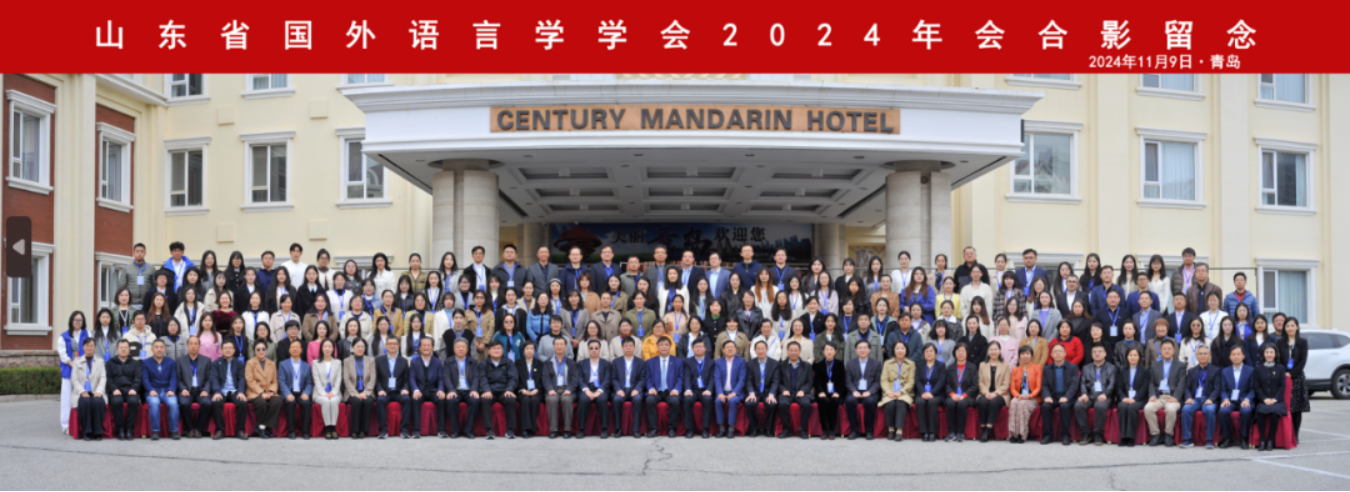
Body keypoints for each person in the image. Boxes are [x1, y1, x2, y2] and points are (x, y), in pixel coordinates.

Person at [1144, 338, 1186, 446]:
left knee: (1171, 409)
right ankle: (1155, 434)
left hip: (1172, 397)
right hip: (1159, 396)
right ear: (1160, 351)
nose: (1167, 351)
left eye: (1169, 349)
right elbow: (1151, 383)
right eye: (1164, 349)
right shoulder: (1154, 366)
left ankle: (1168, 434)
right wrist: (1152, 395)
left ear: (1173, 351)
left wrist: (1176, 397)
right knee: (1148, 408)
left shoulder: (1181, 365)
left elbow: (1181, 383)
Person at [1179, 344, 1221, 448]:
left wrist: (1211, 399)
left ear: (1210, 355)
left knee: (1210, 410)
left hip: (1208, 398)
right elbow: (1187, 387)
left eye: (1205, 354)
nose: (1203, 356)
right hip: (1195, 399)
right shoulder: (1191, 371)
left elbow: (1217, 388)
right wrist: (1188, 398)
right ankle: (1187, 439)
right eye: (1200, 354)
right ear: (1196, 356)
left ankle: (1209, 440)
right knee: (1186, 409)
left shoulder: (1216, 370)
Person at [1215, 344, 1256, 449]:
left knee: (1246, 411)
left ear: (1243, 356)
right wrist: (1225, 399)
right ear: (1230, 357)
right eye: (1233, 354)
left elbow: (1253, 389)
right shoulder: (1225, 371)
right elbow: (1223, 390)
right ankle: (1227, 438)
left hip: (1245, 400)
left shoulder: (1251, 370)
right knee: (1223, 411)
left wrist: (1247, 399)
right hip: (1230, 400)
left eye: (1238, 354)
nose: (1236, 356)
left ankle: (1244, 438)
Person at [1075, 344, 1115, 446]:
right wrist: (1084, 394)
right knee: (1079, 405)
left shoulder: (1112, 368)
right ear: (1091, 354)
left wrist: (1105, 394)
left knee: (1100, 406)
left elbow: (1112, 384)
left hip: (1104, 396)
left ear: (1105, 353)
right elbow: (1083, 383)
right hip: (1090, 396)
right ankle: (1085, 433)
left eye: (1100, 351)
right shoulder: (1086, 368)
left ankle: (1098, 433)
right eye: (1094, 352)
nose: (1097, 353)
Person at [1039, 344, 1078, 446]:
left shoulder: (1073, 367)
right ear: (1051, 354)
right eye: (1055, 351)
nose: (1058, 353)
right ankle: (1048, 435)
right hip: (1053, 396)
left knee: (1064, 406)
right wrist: (1047, 396)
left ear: (1065, 353)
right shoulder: (1047, 369)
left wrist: (1066, 397)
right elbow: (1044, 385)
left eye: (1060, 351)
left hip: (1067, 396)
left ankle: (1065, 435)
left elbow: (1074, 385)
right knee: (1045, 406)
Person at [772, 340, 813, 440]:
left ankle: (803, 430)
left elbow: (810, 382)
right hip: (787, 393)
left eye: (796, 350)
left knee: (806, 404)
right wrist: (783, 390)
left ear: (800, 351)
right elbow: (777, 381)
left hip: (801, 393)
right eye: (791, 350)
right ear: (787, 351)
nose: (793, 352)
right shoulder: (781, 365)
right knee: (782, 404)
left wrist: (803, 390)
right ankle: (786, 429)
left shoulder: (806, 366)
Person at [644, 337, 683, 437]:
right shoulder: (650, 362)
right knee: (649, 400)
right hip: (656, 391)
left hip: (671, 391)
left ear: (670, 347)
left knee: (675, 401)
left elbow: (681, 377)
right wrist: (650, 388)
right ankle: (653, 428)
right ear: (657, 347)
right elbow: (647, 378)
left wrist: (676, 389)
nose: (664, 347)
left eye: (666, 345)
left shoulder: (678, 361)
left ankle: (672, 429)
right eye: (661, 345)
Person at [480, 340, 520, 439]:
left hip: (504, 391)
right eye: (494, 349)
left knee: (511, 399)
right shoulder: (483, 364)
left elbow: (513, 378)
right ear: (489, 351)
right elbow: (482, 378)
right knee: (484, 399)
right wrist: (486, 390)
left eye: (499, 348)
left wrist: (509, 389)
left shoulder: (509, 363)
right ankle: (489, 430)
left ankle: (510, 430)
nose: (496, 351)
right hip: (490, 391)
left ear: (503, 350)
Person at [209, 339, 248, 440]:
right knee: (216, 402)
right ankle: (220, 430)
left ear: (234, 350)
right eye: (225, 348)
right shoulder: (216, 363)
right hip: (222, 390)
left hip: (235, 390)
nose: (228, 350)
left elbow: (241, 378)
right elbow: (213, 378)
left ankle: (240, 430)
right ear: (221, 350)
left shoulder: (239, 363)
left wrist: (241, 392)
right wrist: (216, 391)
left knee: (242, 402)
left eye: (230, 348)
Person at [442, 338, 481, 439]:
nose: (460, 349)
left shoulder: (473, 362)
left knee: (475, 401)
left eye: (463, 347)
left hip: (469, 390)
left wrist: (474, 390)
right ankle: (455, 430)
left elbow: (476, 377)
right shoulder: (448, 361)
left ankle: (468, 430)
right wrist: (451, 390)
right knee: (451, 401)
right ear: (454, 349)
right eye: (458, 347)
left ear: (467, 349)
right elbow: (446, 377)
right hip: (455, 390)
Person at [408, 337, 445, 438]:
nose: (426, 347)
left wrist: (441, 390)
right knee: (415, 399)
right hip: (420, 390)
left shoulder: (437, 362)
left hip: (433, 390)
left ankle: (441, 430)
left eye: (428, 345)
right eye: (424, 345)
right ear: (420, 348)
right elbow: (412, 378)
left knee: (441, 399)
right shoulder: (414, 361)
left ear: (432, 348)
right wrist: (415, 389)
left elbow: (441, 378)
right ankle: (416, 430)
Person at [143, 340, 180, 440]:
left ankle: (174, 431)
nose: (159, 349)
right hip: (153, 390)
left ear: (165, 349)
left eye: (161, 347)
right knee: (154, 403)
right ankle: (155, 431)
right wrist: (150, 389)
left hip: (168, 390)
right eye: (156, 347)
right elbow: (145, 379)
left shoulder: (171, 362)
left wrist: (171, 389)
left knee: (173, 404)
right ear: (152, 349)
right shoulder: (146, 362)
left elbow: (174, 377)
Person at [608, 338, 646, 437]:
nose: (628, 348)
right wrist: (618, 389)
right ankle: (618, 429)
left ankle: (636, 429)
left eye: (630, 346)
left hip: (635, 389)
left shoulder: (641, 362)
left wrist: (637, 389)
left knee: (638, 399)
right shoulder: (616, 362)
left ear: (634, 347)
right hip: (621, 389)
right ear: (622, 347)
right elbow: (613, 378)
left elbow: (642, 378)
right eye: (626, 346)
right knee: (616, 400)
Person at [373, 337, 410, 439]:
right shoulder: (379, 360)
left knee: (407, 399)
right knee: (380, 400)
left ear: (398, 346)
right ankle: (383, 430)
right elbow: (376, 378)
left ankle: (404, 430)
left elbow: (406, 379)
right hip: (385, 391)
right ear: (386, 346)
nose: (392, 346)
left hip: (399, 391)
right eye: (390, 343)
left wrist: (405, 388)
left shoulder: (403, 361)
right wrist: (380, 389)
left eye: (395, 344)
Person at [1253, 344, 1287, 452]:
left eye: (1271, 352)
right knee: (1260, 412)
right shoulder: (1258, 368)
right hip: (1263, 400)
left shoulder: (1280, 368)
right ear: (1263, 354)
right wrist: (1264, 399)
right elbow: (1257, 386)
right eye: (1267, 352)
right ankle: (1262, 441)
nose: (1269, 354)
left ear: (1275, 354)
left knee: (1274, 412)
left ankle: (1271, 441)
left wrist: (1275, 399)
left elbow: (1282, 386)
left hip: (1277, 401)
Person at [71, 338, 107, 441]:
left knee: (98, 402)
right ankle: (87, 432)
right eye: (87, 345)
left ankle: (98, 432)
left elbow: (103, 377)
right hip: (81, 392)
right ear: (83, 347)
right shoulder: (77, 361)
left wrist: (99, 391)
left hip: (96, 391)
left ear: (95, 347)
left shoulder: (100, 361)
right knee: (85, 402)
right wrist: (82, 391)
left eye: (91, 345)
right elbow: (74, 379)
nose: (89, 348)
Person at [845, 340, 881, 440]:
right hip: (855, 391)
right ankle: (854, 431)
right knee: (850, 401)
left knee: (869, 402)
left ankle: (869, 431)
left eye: (865, 348)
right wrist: (854, 391)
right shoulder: (850, 363)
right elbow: (848, 380)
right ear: (856, 350)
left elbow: (877, 382)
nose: (862, 350)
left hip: (870, 391)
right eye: (860, 348)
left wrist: (869, 392)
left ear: (869, 349)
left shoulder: (876, 364)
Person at [246, 340, 283, 439]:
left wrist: (271, 392)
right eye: (258, 349)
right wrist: (262, 393)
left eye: (263, 349)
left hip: (269, 391)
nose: (261, 351)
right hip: (255, 392)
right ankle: (263, 429)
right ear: (254, 351)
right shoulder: (250, 363)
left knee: (278, 402)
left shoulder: (272, 364)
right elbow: (250, 381)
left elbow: (275, 381)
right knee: (261, 403)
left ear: (266, 350)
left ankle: (260, 427)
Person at [743, 340, 780, 437]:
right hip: (755, 392)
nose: (761, 351)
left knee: (772, 404)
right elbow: (748, 380)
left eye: (763, 348)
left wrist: (771, 394)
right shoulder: (750, 364)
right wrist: (751, 393)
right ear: (754, 350)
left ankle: (768, 429)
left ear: (767, 349)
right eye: (758, 349)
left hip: (768, 392)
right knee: (749, 404)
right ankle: (754, 428)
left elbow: (775, 381)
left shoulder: (775, 364)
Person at [106, 340, 142, 440]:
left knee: (134, 402)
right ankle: (120, 429)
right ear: (117, 349)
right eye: (121, 347)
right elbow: (108, 379)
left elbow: (138, 378)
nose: (123, 349)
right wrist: (114, 389)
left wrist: (134, 388)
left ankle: (130, 429)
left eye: (125, 347)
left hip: (130, 390)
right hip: (116, 390)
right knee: (116, 402)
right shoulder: (110, 363)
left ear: (129, 349)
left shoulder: (135, 363)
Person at [278, 338, 313, 440]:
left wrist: (306, 393)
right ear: (289, 350)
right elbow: (282, 381)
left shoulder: (307, 366)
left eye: (297, 347)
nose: (295, 349)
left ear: (301, 350)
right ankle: (291, 431)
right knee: (290, 403)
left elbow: (309, 383)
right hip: (289, 391)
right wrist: (287, 394)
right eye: (293, 347)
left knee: (306, 403)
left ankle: (305, 432)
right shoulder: (283, 364)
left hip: (301, 392)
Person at [879, 341, 914, 441]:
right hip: (890, 390)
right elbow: (884, 380)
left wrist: (901, 392)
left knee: (901, 403)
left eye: (902, 348)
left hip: (904, 392)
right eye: (897, 348)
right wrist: (888, 392)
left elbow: (911, 382)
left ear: (906, 350)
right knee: (890, 403)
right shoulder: (887, 363)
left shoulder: (911, 364)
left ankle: (899, 431)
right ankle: (891, 429)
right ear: (893, 350)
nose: (900, 350)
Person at [577, 340, 613, 438]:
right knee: (583, 400)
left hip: (600, 388)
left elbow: (607, 379)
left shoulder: (606, 363)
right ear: (588, 350)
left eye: (596, 348)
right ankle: (581, 429)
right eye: (591, 348)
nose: (594, 350)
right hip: (586, 388)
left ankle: (604, 429)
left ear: (600, 350)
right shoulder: (581, 363)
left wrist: (599, 391)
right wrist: (586, 390)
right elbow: (579, 379)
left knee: (602, 400)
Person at [544, 337, 578, 438]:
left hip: (567, 389)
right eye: (557, 344)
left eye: (561, 344)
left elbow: (575, 378)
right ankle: (553, 430)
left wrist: (569, 389)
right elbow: (545, 378)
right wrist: (550, 389)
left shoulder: (571, 362)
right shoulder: (548, 362)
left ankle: (567, 430)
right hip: (553, 389)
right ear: (553, 346)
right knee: (552, 400)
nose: (559, 346)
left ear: (565, 346)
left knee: (566, 400)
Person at [975, 341, 1010, 442]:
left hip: (1001, 394)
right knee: (982, 402)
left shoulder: (1005, 365)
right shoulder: (982, 365)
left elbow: (1006, 384)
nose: (993, 351)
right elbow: (980, 382)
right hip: (985, 392)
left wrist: (995, 393)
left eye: (995, 349)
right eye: (991, 349)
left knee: (994, 402)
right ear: (988, 351)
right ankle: (983, 429)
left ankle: (987, 431)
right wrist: (986, 393)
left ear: (1000, 351)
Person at [683, 337, 717, 439]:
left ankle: (705, 429)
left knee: (708, 400)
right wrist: (688, 389)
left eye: (701, 347)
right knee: (687, 400)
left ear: (705, 348)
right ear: (692, 349)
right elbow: (686, 376)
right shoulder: (687, 362)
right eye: (696, 347)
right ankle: (689, 429)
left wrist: (709, 390)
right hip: (692, 390)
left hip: (705, 390)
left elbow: (712, 378)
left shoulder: (711, 362)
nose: (699, 349)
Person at [1115, 345, 1149, 447]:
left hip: (1139, 399)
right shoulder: (1122, 370)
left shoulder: (1145, 371)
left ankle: (1130, 437)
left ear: (1139, 357)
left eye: (1135, 355)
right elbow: (1119, 387)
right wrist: (1123, 398)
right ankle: (1123, 437)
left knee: (1132, 407)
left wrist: (1135, 399)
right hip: (1125, 398)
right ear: (1127, 357)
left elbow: (1144, 388)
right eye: (1130, 355)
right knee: (1122, 406)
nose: (1133, 357)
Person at [943, 343, 978, 442]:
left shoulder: (972, 367)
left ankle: (960, 432)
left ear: (967, 353)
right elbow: (947, 385)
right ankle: (951, 432)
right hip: (953, 395)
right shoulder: (950, 367)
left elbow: (974, 386)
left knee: (962, 403)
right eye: (958, 351)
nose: (960, 353)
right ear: (954, 353)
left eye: (963, 351)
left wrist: (964, 395)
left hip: (967, 396)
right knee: (950, 403)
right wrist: (952, 394)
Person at [712, 340, 746, 438]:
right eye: (727, 347)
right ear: (723, 350)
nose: (730, 349)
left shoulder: (741, 361)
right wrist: (720, 393)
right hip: (723, 392)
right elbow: (717, 378)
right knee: (718, 401)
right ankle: (721, 429)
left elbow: (742, 379)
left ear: (736, 349)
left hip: (735, 392)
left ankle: (731, 428)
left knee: (733, 400)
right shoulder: (718, 362)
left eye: (732, 347)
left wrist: (734, 392)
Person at [1008, 347, 1041, 443]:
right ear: (1019, 356)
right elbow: (1012, 388)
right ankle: (1013, 434)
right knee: (1013, 402)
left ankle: (1022, 434)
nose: (1025, 356)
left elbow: (1038, 387)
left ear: (1031, 356)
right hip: (1019, 396)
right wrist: (1018, 396)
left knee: (1022, 404)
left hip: (1032, 398)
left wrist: (1029, 396)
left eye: (1027, 353)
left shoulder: (1037, 368)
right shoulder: (1015, 369)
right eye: (1022, 354)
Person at [913, 343, 947, 441]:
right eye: (926, 351)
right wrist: (923, 392)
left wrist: (932, 393)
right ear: (923, 353)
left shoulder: (941, 365)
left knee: (932, 402)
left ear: (935, 353)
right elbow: (917, 380)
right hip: (922, 393)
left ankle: (932, 432)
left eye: (931, 351)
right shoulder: (920, 365)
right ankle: (924, 432)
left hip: (937, 393)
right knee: (919, 402)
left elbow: (941, 381)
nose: (929, 353)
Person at [1283, 318, 1308, 444]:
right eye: (1287, 326)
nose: (1290, 328)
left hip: (1297, 377)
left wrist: (1291, 374)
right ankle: (1287, 433)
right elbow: (1277, 359)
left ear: (1297, 327)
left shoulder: (1302, 342)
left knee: (1296, 408)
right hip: (1283, 377)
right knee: (1286, 406)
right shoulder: (1280, 342)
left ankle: (1295, 434)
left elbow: (1303, 361)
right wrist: (1284, 373)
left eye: (1292, 326)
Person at [813, 342, 846, 440]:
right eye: (827, 349)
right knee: (822, 402)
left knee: (834, 402)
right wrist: (820, 392)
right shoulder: (819, 365)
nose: (829, 352)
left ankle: (832, 430)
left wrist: (838, 392)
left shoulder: (840, 364)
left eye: (831, 350)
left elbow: (842, 381)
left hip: (836, 393)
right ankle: (824, 429)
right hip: (822, 393)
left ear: (835, 351)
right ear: (823, 351)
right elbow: (817, 381)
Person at [345, 338, 376, 439]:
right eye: (358, 346)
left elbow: (372, 379)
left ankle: (363, 430)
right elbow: (346, 379)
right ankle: (355, 430)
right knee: (356, 401)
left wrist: (365, 393)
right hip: (352, 391)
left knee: (368, 401)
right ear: (352, 348)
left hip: (367, 391)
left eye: (362, 346)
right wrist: (355, 394)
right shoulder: (347, 361)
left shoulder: (371, 360)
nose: (360, 349)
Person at [516, 341, 544, 438]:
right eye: (527, 349)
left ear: (534, 351)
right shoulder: (517, 363)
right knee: (525, 400)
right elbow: (515, 379)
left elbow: (543, 380)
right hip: (522, 391)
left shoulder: (540, 364)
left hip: (536, 391)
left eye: (531, 349)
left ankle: (532, 428)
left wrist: (537, 389)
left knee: (534, 400)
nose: (529, 351)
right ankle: (525, 429)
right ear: (523, 350)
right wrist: (521, 389)